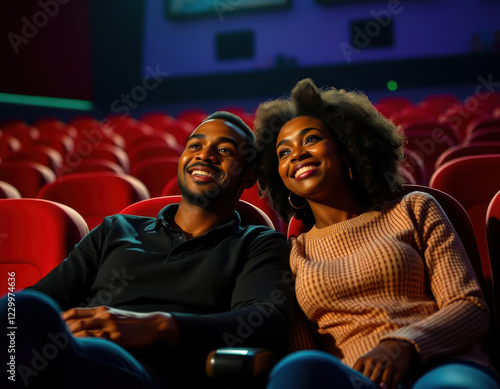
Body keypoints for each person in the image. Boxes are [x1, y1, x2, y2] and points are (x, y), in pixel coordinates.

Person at [1, 111, 293, 388]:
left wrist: (159, 326)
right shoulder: (116, 229)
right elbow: (43, 297)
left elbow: (265, 320)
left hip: (155, 375)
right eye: (195, 145)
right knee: (22, 309)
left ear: (249, 177)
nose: (205, 155)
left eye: (226, 151)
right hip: (74, 353)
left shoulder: (258, 243)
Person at [253, 78, 500, 389]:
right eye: (283, 153)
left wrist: (403, 346)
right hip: (353, 379)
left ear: (346, 149)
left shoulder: (414, 208)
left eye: (311, 139)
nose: (297, 155)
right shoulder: (294, 253)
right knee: (299, 367)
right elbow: (303, 352)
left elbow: (470, 309)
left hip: (439, 365)